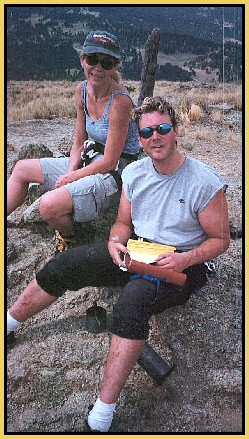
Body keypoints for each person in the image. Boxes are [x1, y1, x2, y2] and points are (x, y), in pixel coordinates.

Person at [7, 96, 230, 432]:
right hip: (138, 250)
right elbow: (123, 223)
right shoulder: (135, 172)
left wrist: (184, 258)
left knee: (130, 307)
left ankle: (101, 418)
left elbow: (220, 240)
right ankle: (9, 323)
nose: (155, 137)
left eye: (163, 128)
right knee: (66, 265)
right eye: (146, 132)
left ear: (176, 131)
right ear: (139, 139)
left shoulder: (204, 181)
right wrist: (114, 242)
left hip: (183, 263)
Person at [7, 30, 140, 250]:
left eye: (106, 63)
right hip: (91, 159)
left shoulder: (120, 103)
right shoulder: (81, 91)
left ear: (116, 67)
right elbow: (79, 142)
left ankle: (74, 236)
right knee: (21, 169)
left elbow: (109, 162)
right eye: (92, 59)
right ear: (82, 60)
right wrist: (70, 172)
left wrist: (71, 178)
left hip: (115, 172)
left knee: (48, 206)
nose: (98, 68)